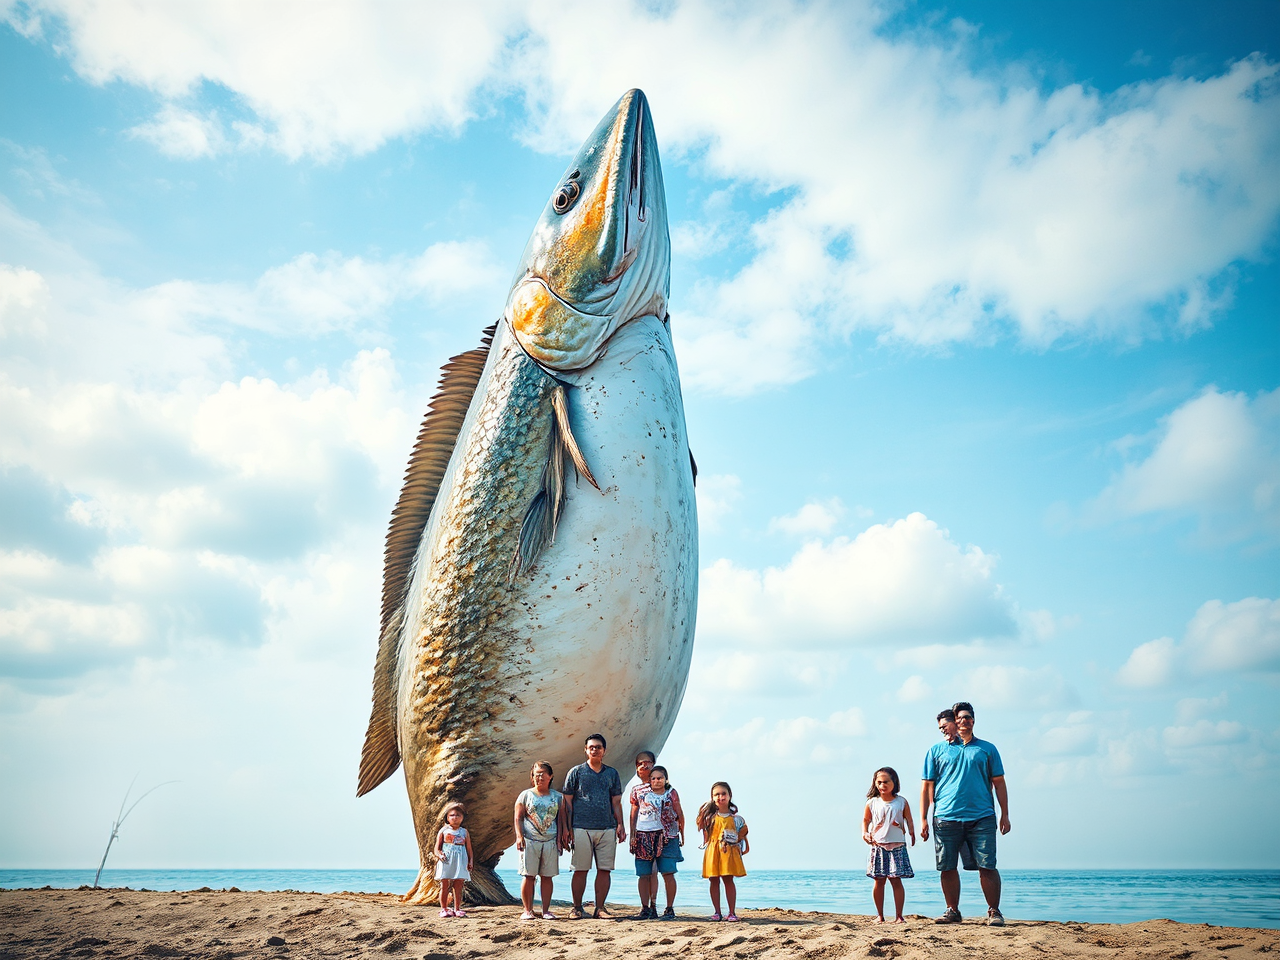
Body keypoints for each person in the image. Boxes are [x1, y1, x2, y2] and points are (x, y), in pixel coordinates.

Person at [919, 701, 1011, 926]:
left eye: (968, 717)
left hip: (982, 817)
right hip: (945, 817)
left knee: (987, 865)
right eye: (959, 718)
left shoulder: (987, 749)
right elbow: (926, 787)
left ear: (973, 720)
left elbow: (999, 783)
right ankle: (952, 911)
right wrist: (923, 818)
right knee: (947, 866)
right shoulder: (936, 750)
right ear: (953, 721)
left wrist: (1005, 814)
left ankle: (994, 911)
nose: (964, 721)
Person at [563, 733, 625, 919]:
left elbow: (616, 802)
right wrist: (567, 828)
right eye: (591, 747)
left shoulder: (612, 774)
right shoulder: (576, 772)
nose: (594, 750)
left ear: (604, 751)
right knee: (580, 869)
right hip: (581, 826)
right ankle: (577, 908)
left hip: (607, 827)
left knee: (605, 869)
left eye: (598, 747)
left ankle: (600, 908)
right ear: (585, 750)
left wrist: (620, 824)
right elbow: (567, 803)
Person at [629, 765, 685, 920]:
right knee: (643, 874)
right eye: (653, 778)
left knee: (668, 872)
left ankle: (669, 908)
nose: (656, 781)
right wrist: (632, 835)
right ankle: (645, 908)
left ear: (666, 779)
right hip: (643, 835)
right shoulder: (641, 793)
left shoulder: (671, 793)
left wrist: (683, 833)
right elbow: (634, 813)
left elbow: (679, 813)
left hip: (667, 836)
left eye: (659, 778)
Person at [862, 766, 915, 923]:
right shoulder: (872, 803)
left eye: (886, 782)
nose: (882, 785)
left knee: (895, 879)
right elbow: (866, 821)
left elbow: (909, 819)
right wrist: (864, 833)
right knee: (879, 880)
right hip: (878, 845)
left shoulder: (901, 802)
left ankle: (899, 916)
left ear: (894, 783)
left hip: (897, 845)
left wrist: (912, 832)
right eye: (879, 782)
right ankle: (880, 915)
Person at [514, 760, 565, 921]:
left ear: (550, 776)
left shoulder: (558, 797)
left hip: (550, 840)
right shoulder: (525, 795)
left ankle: (546, 910)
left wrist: (560, 840)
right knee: (529, 875)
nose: (539, 777)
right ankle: (527, 910)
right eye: (536, 774)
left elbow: (561, 819)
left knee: (547, 876)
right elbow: (518, 817)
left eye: (543, 774)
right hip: (530, 840)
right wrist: (519, 836)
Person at [698, 781, 748, 922]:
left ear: (729, 795)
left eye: (723, 793)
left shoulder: (736, 818)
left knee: (728, 879)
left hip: (729, 851)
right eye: (717, 794)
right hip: (713, 850)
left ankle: (732, 912)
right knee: (713, 880)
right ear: (712, 797)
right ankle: (717, 912)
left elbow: (744, 832)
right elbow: (702, 829)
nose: (720, 797)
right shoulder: (709, 817)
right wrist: (705, 810)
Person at [433, 802, 473, 918]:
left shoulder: (464, 832)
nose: (455, 818)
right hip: (446, 860)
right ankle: (444, 908)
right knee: (444, 884)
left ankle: (457, 908)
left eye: (458, 815)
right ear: (447, 817)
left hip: (460, 860)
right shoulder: (443, 830)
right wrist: (439, 855)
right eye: (452, 815)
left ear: (462, 818)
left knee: (458, 885)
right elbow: (437, 847)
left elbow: (469, 848)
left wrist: (470, 861)